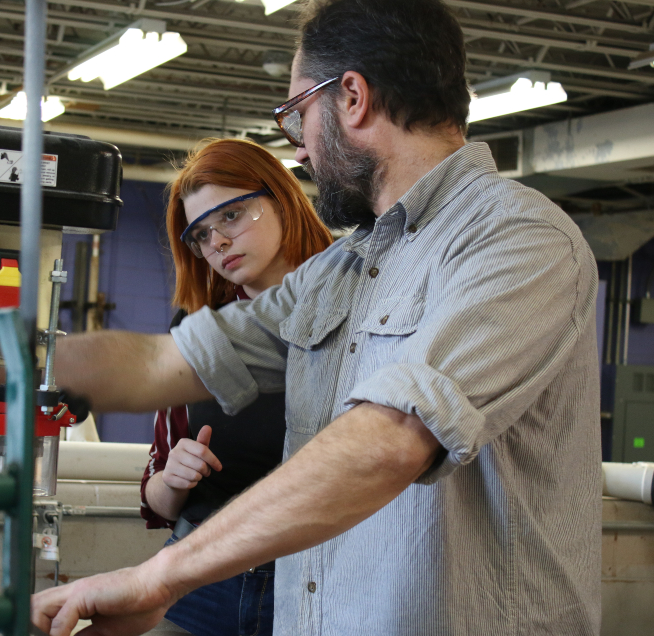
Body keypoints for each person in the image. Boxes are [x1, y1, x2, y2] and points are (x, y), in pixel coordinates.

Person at [31, 1, 601, 634]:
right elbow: (167, 361)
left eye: (296, 113)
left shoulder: (518, 238)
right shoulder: (345, 266)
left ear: (352, 97)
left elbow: (390, 440)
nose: (296, 144)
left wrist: (159, 576)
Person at [141, 139, 332, 636]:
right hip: (201, 580)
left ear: (282, 199)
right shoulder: (197, 330)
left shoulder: (354, 299)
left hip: (318, 584)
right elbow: (155, 499)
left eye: (231, 216)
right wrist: (174, 478)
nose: (217, 243)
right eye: (201, 234)